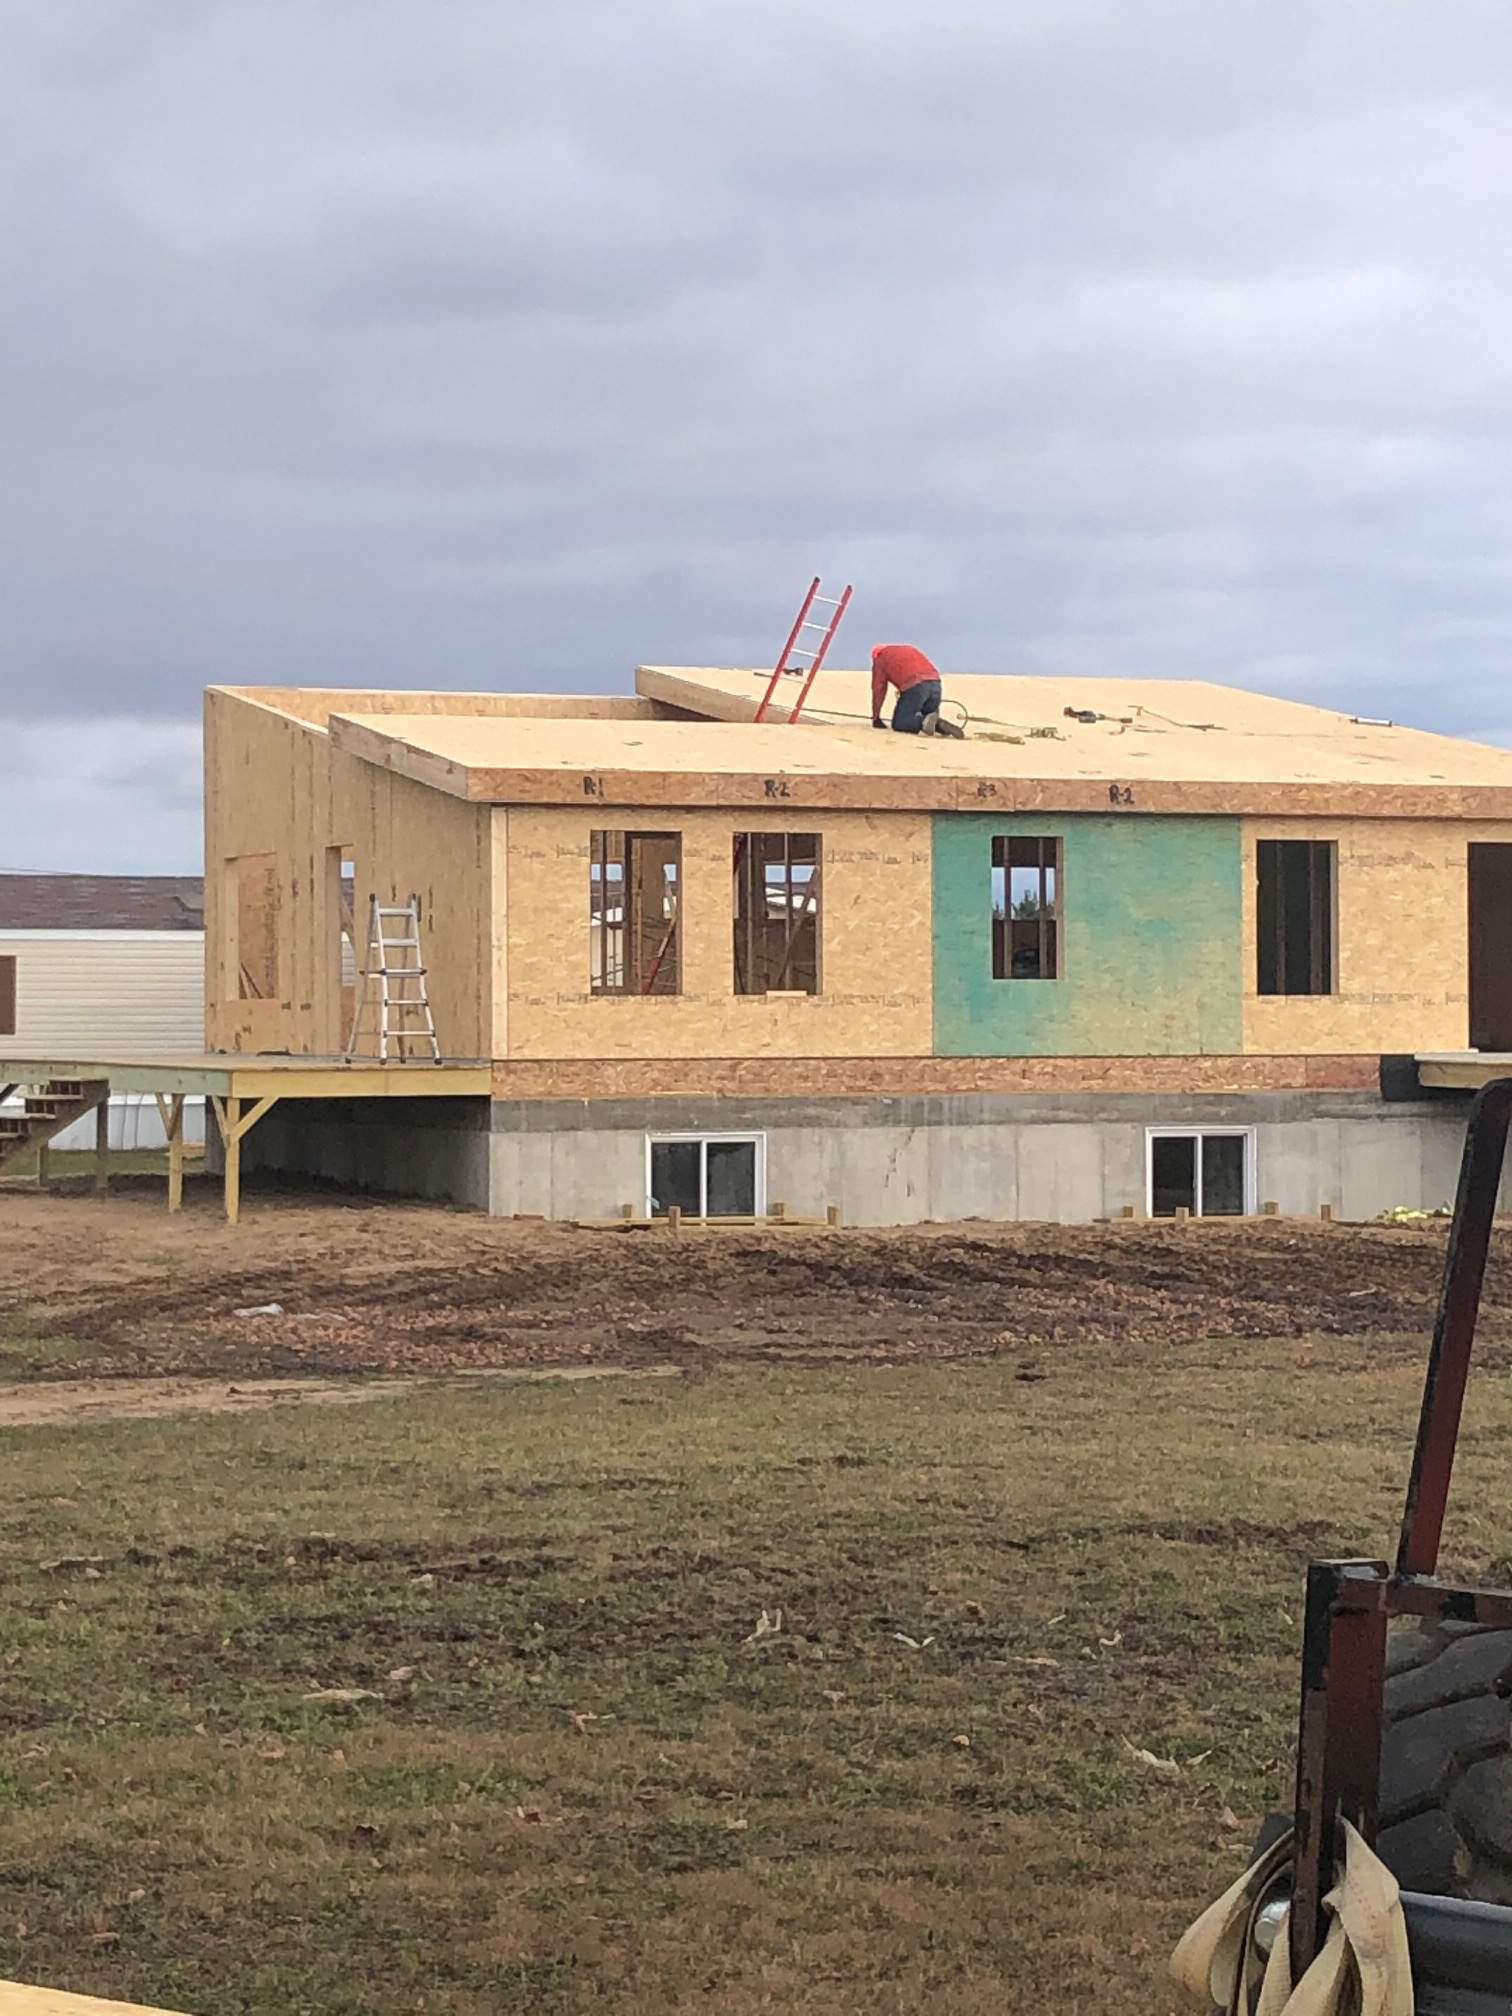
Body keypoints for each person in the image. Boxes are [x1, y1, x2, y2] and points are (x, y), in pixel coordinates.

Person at [870, 643, 963, 735]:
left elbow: (879, 688)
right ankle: (938, 725)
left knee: (901, 723)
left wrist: (876, 717)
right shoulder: (908, 648)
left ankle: (934, 724)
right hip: (935, 682)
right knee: (928, 717)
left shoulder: (880, 658)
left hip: (916, 685)